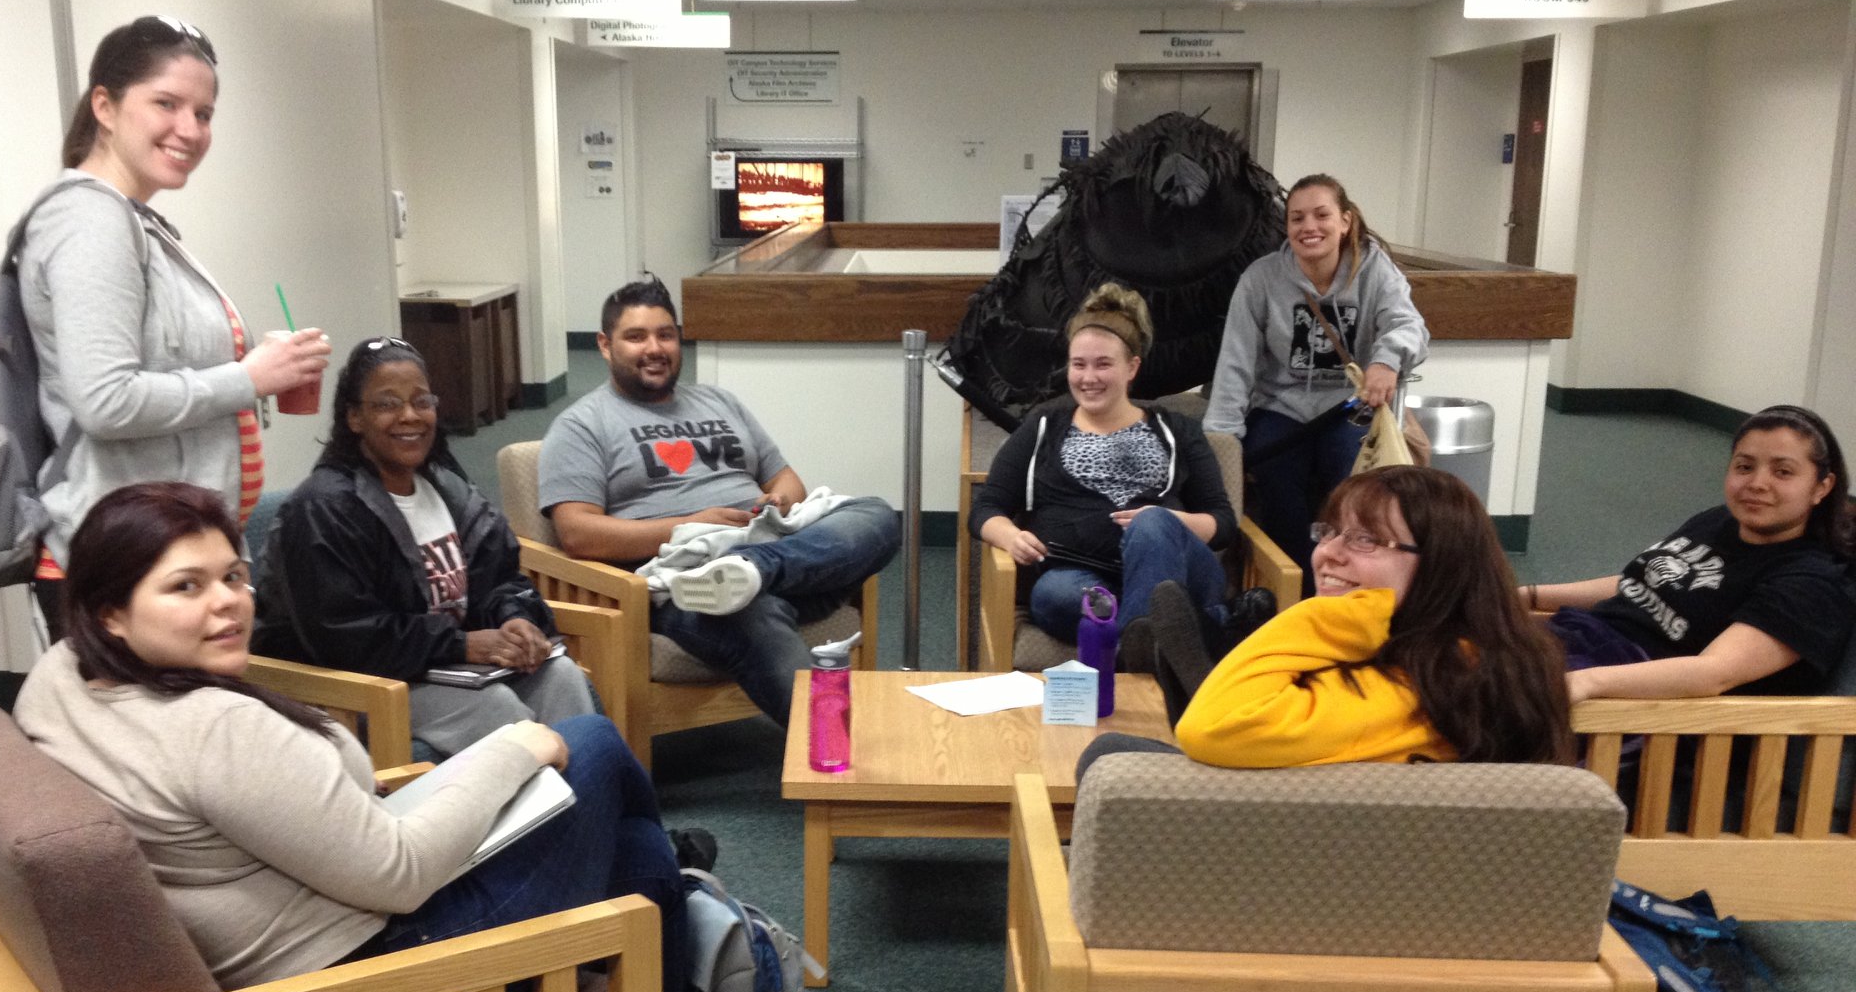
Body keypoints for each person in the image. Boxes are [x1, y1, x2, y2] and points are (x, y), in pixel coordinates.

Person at [14, 481, 789, 992]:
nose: (225, 603)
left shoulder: (60, 682)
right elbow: (399, 873)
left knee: (633, 846)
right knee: (589, 745)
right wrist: (518, 743)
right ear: (111, 613)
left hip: (312, 954)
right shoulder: (210, 729)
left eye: (233, 576)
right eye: (184, 587)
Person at [19, 14, 333, 630]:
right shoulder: (91, 223)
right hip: (126, 568)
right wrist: (247, 379)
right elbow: (105, 401)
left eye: (205, 113)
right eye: (166, 103)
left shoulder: (135, 221)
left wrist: (251, 366)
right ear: (104, 106)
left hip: (172, 559)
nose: (189, 129)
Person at [537, 276, 902, 725]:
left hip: (769, 547)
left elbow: (786, 479)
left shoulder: (718, 401)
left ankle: (753, 569)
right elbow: (577, 532)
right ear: (605, 345)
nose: (654, 348)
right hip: (686, 583)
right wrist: (692, 522)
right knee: (747, 609)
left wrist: (777, 500)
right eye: (636, 336)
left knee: (876, 514)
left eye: (665, 335)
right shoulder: (581, 425)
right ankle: (838, 755)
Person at [1083, 466, 1570, 772]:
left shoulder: (1435, 680)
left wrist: (1329, 617)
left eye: (1365, 540)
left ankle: (1216, 670)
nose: (1328, 553)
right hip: (1333, 821)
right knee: (1124, 754)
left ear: (1441, 562)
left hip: (1317, 866)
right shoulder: (1455, 652)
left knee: (1110, 759)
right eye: (1330, 532)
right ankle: (1216, 665)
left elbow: (1213, 728)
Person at [252, 338, 593, 756]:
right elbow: (345, 637)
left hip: (447, 665)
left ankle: (597, 809)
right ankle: (551, 819)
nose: (409, 416)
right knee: (496, 709)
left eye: (421, 401)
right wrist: (462, 645)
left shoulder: (447, 486)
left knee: (560, 677)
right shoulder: (324, 509)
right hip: (365, 683)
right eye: (387, 404)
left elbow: (499, 577)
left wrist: (514, 617)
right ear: (355, 417)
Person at [970, 281, 1271, 657]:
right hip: (1077, 579)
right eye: (1078, 364)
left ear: (1132, 367)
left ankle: (1141, 644)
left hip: (1174, 574)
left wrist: (1166, 520)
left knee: (1152, 525)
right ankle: (1194, 630)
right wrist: (1009, 535)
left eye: (1103, 364)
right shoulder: (1044, 425)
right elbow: (986, 508)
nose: (1088, 377)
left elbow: (1223, 523)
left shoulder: (1178, 430)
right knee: (1054, 596)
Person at [1528, 405, 1855, 700]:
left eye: (1782, 472)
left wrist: (1582, 683)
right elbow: (1638, 586)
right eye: (1744, 467)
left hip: (1635, 701)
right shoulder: (1719, 520)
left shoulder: (1813, 585)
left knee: (1487, 698)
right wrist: (1526, 597)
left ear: (1821, 487)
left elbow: (1714, 673)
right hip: (1584, 639)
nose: (1757, 483)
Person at [1203, 173, 1428, 579]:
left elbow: (1409, 325)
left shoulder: (1375, 269)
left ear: (1344, 221)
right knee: (1276, 481)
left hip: (1351, 406)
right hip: (1281, 407)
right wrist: (1221, 437)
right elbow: (1235, 362)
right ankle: (1298, 585)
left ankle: (1353, 575)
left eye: (1321, 215)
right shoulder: (1261, 279)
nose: (1309, 227)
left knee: (1353, 481)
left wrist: (1386, 360)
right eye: (1297, 218)